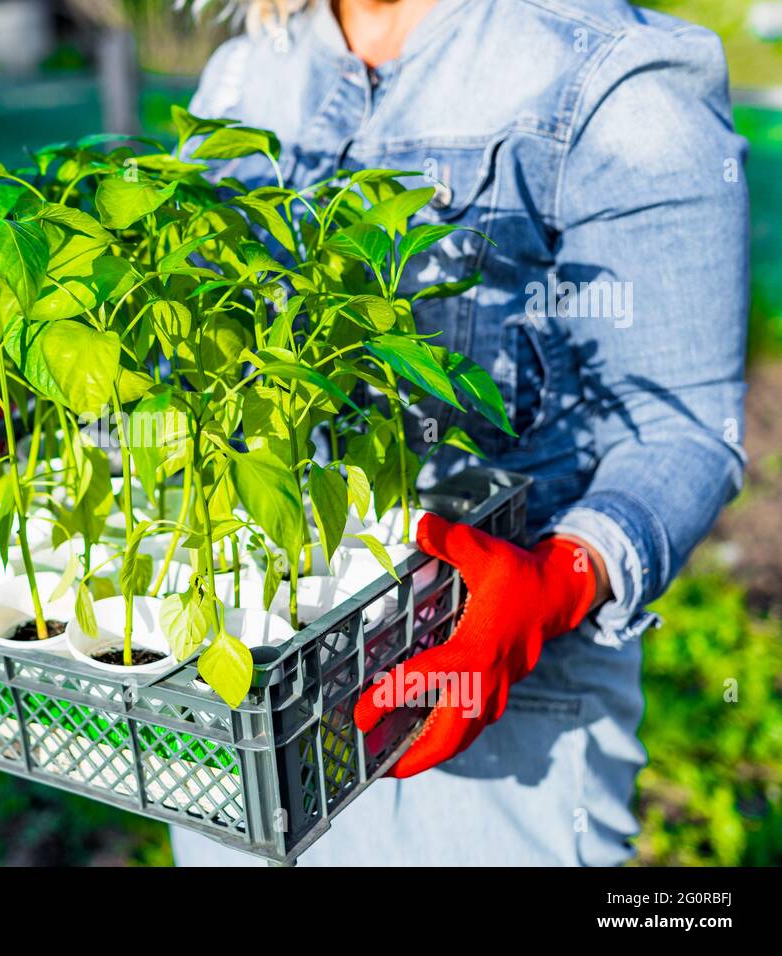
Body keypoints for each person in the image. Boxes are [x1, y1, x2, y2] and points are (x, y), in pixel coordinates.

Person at [170, 0, 749, 866]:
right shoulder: (248, 73)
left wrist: (557, 579)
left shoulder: (611, 72)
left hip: (505, 721)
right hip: (253, 692)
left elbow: (684, 426)